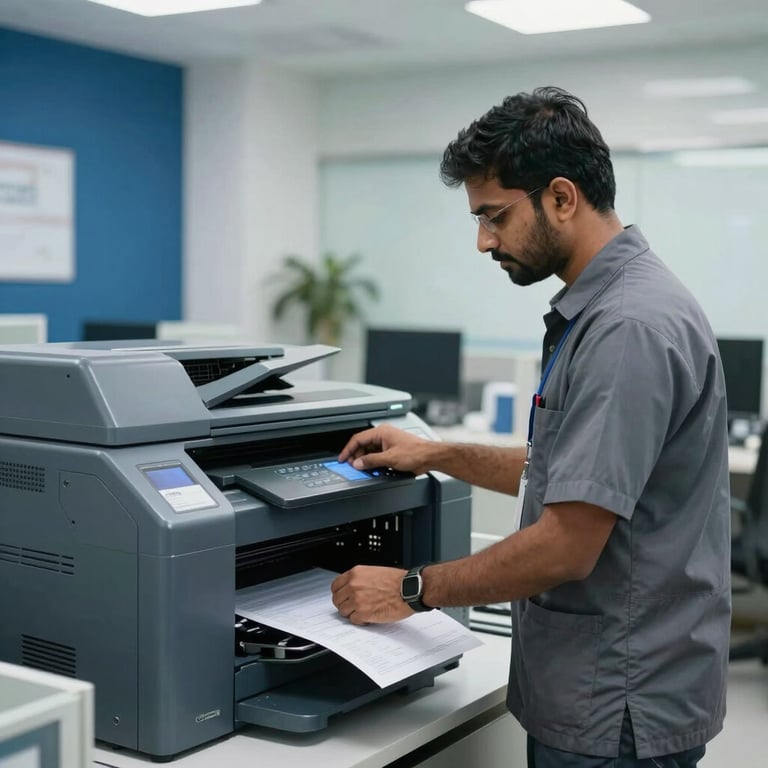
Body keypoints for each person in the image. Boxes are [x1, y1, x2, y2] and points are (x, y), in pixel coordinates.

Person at [330, 87, 731, 767]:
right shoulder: (617, 306)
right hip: (618, 683)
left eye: (494, 215)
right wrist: (435, 451)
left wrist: (407, 589)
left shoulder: (625, 327)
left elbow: (565, 547)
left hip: (615, 706)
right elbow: (571, 469)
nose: (483, 240)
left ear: (562, 198)